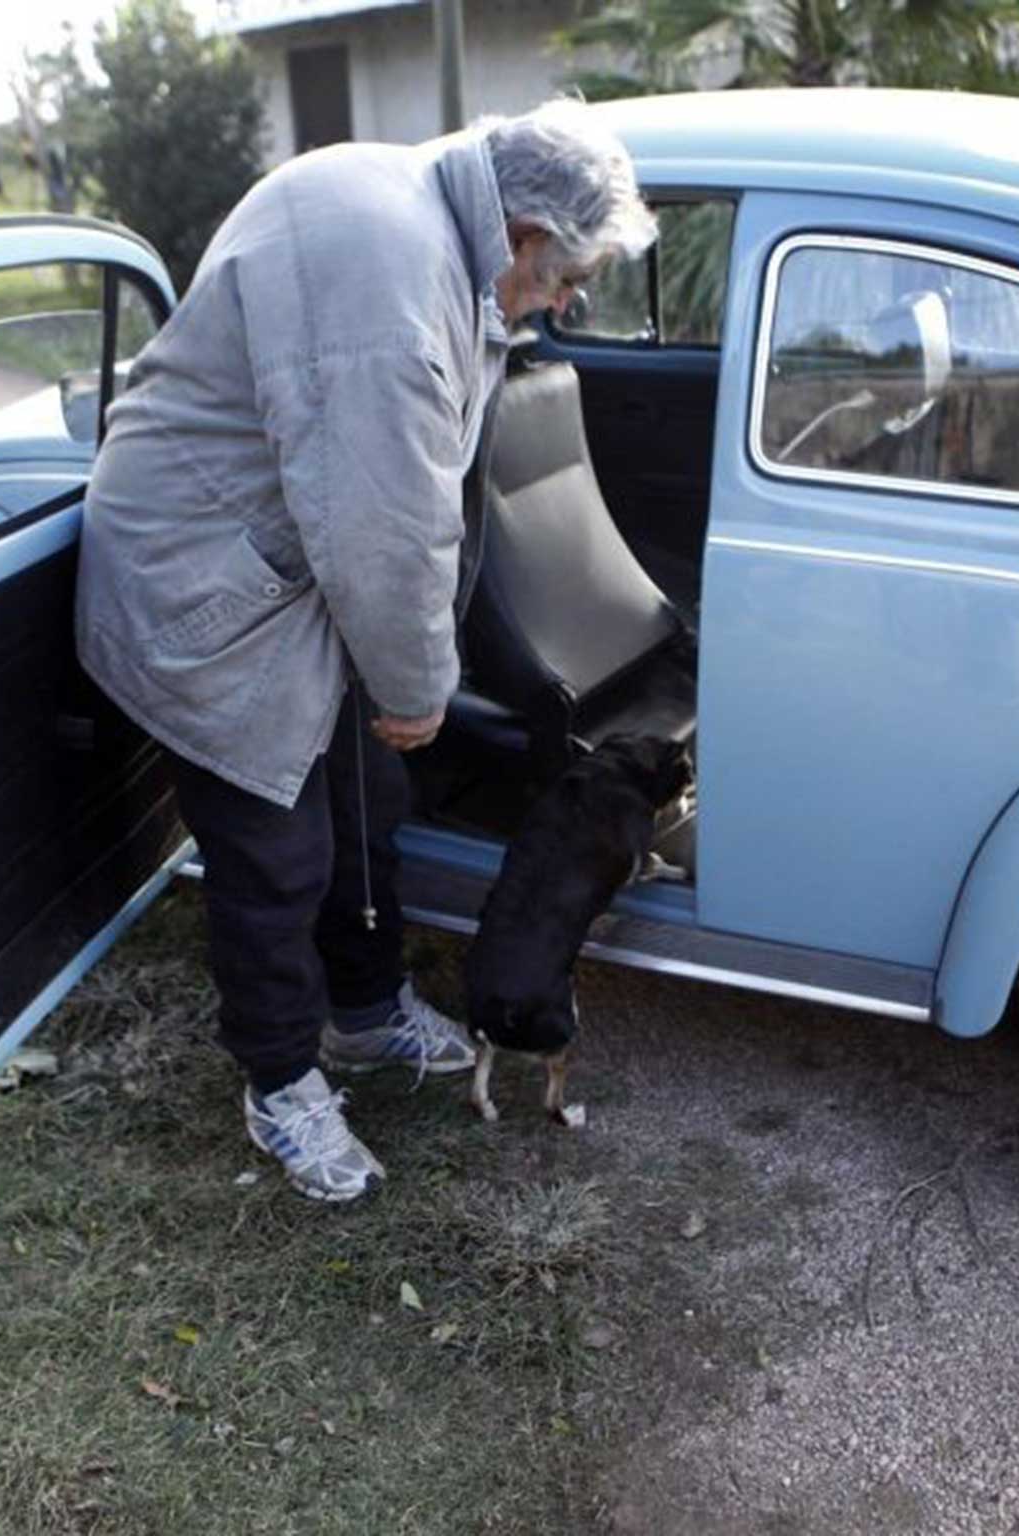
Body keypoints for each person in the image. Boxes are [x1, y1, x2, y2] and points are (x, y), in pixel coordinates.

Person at [74, 102, 656, 1202]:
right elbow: (382, 531)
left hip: (295, 574)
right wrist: (415, 686)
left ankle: (364, 1009)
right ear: (524, 229)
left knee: (367, 801)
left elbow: (395, 512)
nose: (568, 300)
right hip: (209, 593)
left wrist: (401, 685)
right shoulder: (386, 285)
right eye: (568, 273)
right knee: (273, 850)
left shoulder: (437, 230)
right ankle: (281, 1079)